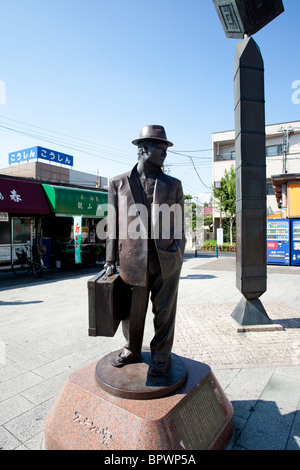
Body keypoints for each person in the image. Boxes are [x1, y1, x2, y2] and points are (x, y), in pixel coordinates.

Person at [105, 125, 185, 376]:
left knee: (165, 310)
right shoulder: (117, 183)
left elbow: (181, 224)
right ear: (142, 150)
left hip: (167, 259)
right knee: (132, 310)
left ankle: (162, 354)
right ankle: (132, 348)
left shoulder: (173, 184)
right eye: (160, 148)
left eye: (165, 149)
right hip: (132, 259)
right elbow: (111, 225)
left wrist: (178, 253)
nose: (164, 153)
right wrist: (109, 260)